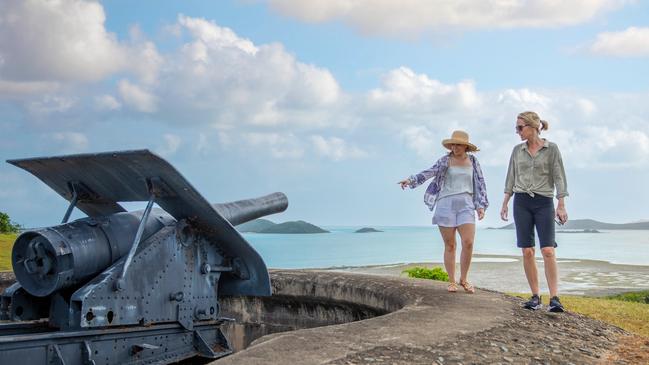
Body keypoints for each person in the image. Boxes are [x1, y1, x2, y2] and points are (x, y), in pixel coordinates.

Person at [399, 130, 488, 294]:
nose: (455, 147)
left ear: (465, 146)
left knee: (468, 242)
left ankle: (464, 279)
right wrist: (410, 180)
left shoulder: (473, 161)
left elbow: (480, 183)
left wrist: (481, 205)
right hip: (446, 204)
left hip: (466, 204)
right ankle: (452, 281)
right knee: (450, 245)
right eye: (453, 144)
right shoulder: (445, 161)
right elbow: (429, 172)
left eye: (458, 144)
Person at [500, 111, 568, 312]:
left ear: (533, 127)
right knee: (527, 251)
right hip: (521, 201)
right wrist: (505, 203)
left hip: (544, 201)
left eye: (520, 127)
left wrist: (561, 204)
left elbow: (559, 177)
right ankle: (535, 296)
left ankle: (554, 298)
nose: (517, 131)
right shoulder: (517, 150)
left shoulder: (551, 149)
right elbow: (510, 178)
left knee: (548, 250)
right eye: (516, 128)